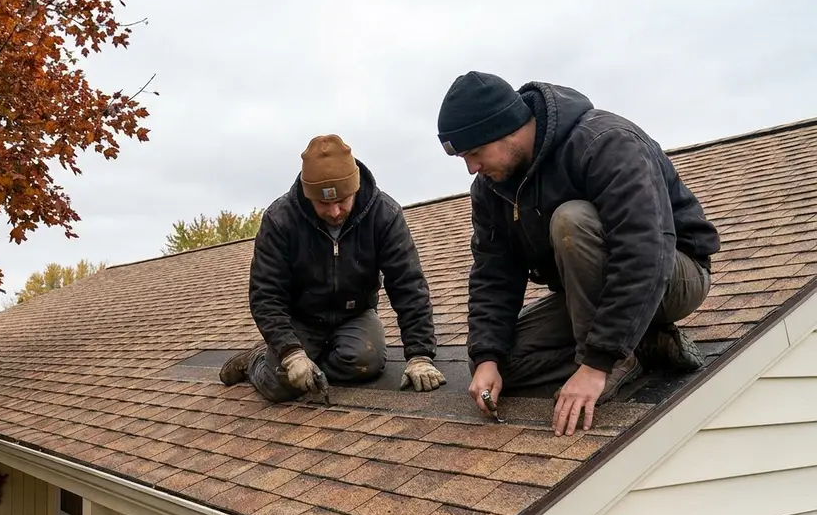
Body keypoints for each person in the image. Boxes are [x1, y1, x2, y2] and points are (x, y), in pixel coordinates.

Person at [436, 72, 721, 437]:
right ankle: (645, 343)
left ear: (505, 128)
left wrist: (596, 364)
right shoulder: (491, 188)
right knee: (508, 366)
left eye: (475, 153)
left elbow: (645, 250)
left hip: (673, 274)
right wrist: (486, 358)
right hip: (592, 293)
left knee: (572, 221)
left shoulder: (604, 142)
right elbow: (493, 274)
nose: (472, 168)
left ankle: (615, 357)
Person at [219, 134, 445, 402]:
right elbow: (265, 293)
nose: (336, 212)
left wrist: (419, 355)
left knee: (366, 363)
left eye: (343, 200)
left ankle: (308, 360)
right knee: (281, 384)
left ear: (356, 187)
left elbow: (408, 284)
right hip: (301, 317)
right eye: (324, 203)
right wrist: (291, 353)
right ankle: (257, 359)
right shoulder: (280, 220)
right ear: (307, 195)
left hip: (355, 313)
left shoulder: (384, 215)